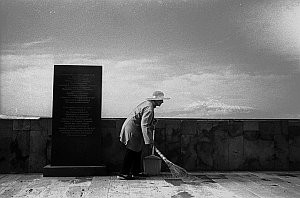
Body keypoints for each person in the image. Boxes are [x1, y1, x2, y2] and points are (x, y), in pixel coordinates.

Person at [117, 91, 170, 180]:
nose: (162, 102)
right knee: (131, 151)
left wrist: (152, 122)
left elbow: (143, 120)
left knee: (137, 150)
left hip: (133, 128)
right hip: (132, 130)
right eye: (161, 100)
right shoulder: (149, 108)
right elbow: (144, 125)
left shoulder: (147, 105)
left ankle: (135, 172)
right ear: (156, 100)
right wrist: (149, 141)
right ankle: (123, 173)